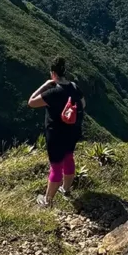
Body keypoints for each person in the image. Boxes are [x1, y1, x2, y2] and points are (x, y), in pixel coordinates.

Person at [28, 56, 85, 207]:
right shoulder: (74, 87)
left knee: (56, 166)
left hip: (56, 134)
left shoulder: (52, 92)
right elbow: (83, 104)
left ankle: (47, 201)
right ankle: (65, 189)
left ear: (53, 73)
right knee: (69, 158)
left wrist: (45, 85)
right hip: (73, 132)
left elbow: (31, 102)